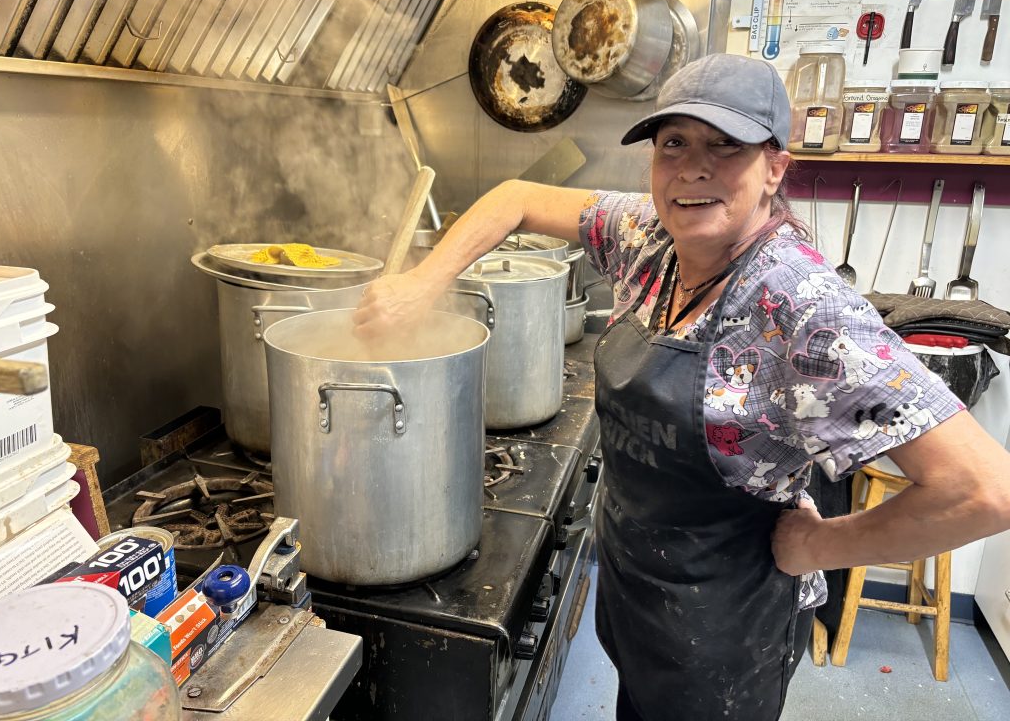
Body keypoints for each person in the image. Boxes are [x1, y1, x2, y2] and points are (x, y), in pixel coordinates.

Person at [354, 53, 1010, 720]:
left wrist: (822, 544)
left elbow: (985, 490)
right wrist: (420, 283)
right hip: (639, 591)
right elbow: (515, 198)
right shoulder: (647, 235)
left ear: (774, 168)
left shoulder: (804, 309)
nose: (693, 169)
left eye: (724, 148)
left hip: (724, 632)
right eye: (674, 144)